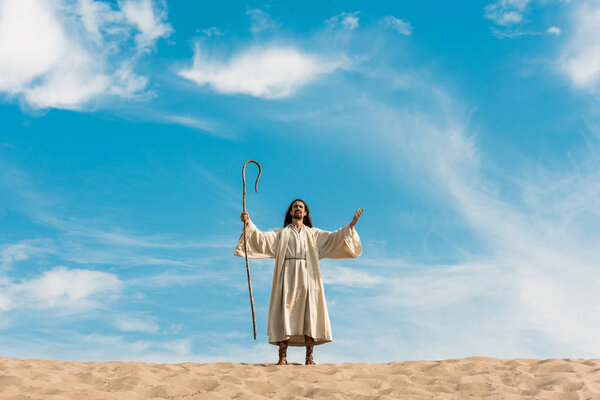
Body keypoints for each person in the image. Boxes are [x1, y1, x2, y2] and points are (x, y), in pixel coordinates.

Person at [234, 199, 363, 365]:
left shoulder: (313, 233)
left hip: (308, 276)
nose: (297, 209)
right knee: (284, 313)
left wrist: (350, 226)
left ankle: (309, 357)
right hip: (286, 275)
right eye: (295, 207)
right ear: (290, 212)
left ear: (305, 213)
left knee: (310, 313)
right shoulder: (281, 234)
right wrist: (248, 223)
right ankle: (282, 357)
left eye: (301, 207)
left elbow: (333, 238)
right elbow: (261, 240)